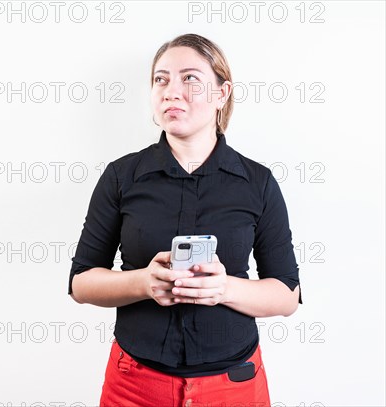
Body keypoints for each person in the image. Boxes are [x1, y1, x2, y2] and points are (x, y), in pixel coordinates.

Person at [67, 33, 302, 407]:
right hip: (135, 385)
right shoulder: (121, 176)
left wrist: (224, 288)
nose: (170, 91)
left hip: (234, 384)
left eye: (190, 78)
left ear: (222, 94)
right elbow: (81, 283)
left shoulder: (258, 182)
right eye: (161, 79)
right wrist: (143, 282)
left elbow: (288, 295)